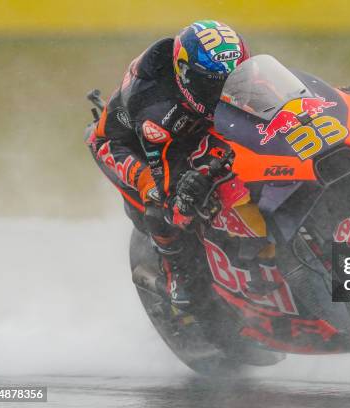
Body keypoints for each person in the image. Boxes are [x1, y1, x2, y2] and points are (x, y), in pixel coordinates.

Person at [85, 20, 250, 307]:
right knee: (160, 205)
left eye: (234, 79)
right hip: (126, 146)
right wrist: (181, 197)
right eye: (214, 85)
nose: (224, 90)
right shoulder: (156, 110)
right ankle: (178, 275)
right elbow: (170, 194)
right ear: (187, 76)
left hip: (186, 127)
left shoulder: (214, 67)